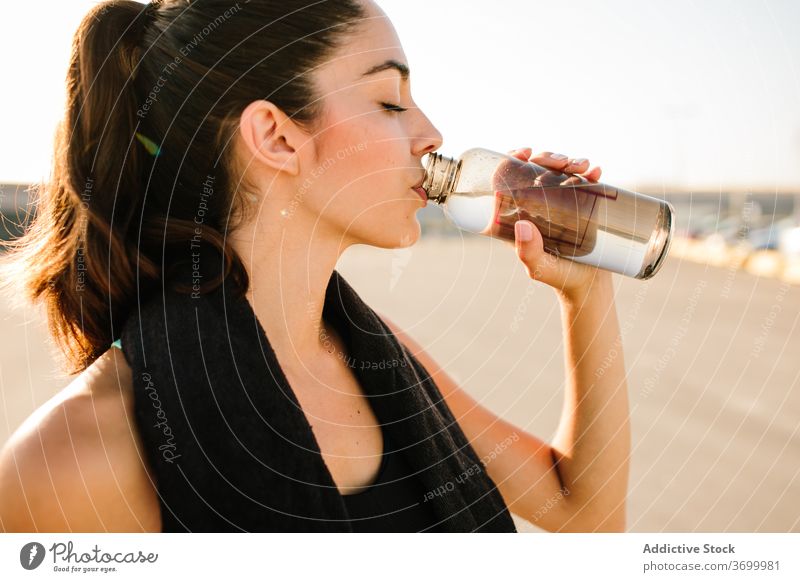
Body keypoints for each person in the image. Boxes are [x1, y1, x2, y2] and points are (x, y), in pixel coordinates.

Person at [0, 0, 628, 532]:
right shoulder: (73, 460)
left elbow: (585, 514)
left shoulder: (378, 358)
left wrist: (585, 291)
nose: (432, 132)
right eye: (389, 101)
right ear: (276, 137)